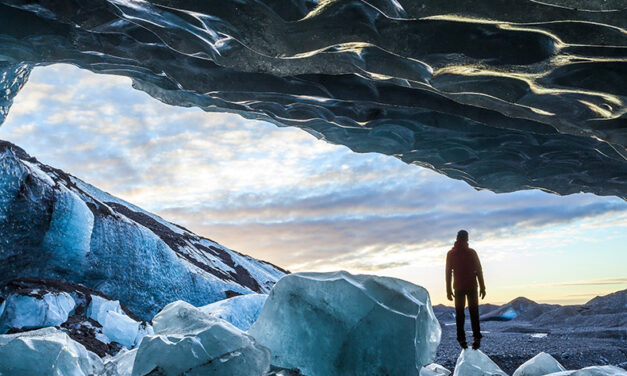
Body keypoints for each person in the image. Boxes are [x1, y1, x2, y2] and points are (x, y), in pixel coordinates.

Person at [445, 229, 486, 350]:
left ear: (457, 238)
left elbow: (448, 273)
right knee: (474, 313)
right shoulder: (472, 252)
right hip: (472, 286)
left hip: (458, 287)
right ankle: (476, 339)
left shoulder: (451, 253)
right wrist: (482, 287)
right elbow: (479, 270)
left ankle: (461, 339)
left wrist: (448, 289)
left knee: (459, 314)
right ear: (467, 239)